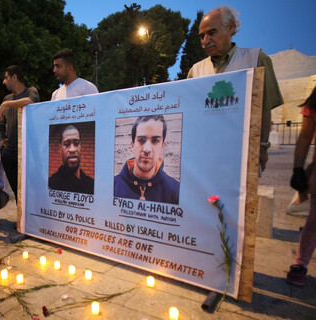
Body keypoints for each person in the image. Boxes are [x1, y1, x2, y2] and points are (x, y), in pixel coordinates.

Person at [187, 6, 283, 172]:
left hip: (243, 156)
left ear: (230, 27)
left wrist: (262, 147)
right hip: (205, 158)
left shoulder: (256, 59)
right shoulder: (195, 71)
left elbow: (264, 109)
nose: (205, 40)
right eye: (202, 36)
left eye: (212, 32)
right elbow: (190, 115)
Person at [0, 66, 40, 202]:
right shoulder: (7, 99)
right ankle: (20, 222)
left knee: (31, 190)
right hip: (9, 152)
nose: (4, 81)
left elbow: (32, 101)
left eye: (6, 77)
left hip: (28, 153)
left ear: (14, 77)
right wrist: (2, 141)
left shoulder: (30, 91)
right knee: (16, 190)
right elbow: (2, 124)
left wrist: (7, 104)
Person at [287, 86, 316, 286]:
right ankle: (301, 263)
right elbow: (305, 136)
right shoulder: (314, 102)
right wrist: (298, 169)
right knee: (314, 222)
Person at [114, 115, 179, 204]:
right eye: (141, 140)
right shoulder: (113, 186)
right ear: (132, 146)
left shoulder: (176, 191)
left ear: (162, 147)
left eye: (155, 141)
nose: (147, 149)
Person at [49, 125, 94, 194]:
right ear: (60, 148)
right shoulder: (51, 186)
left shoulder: (91, 185)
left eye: (76, 143)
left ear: (80, 146)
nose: (72, 149)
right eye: (67, 144)